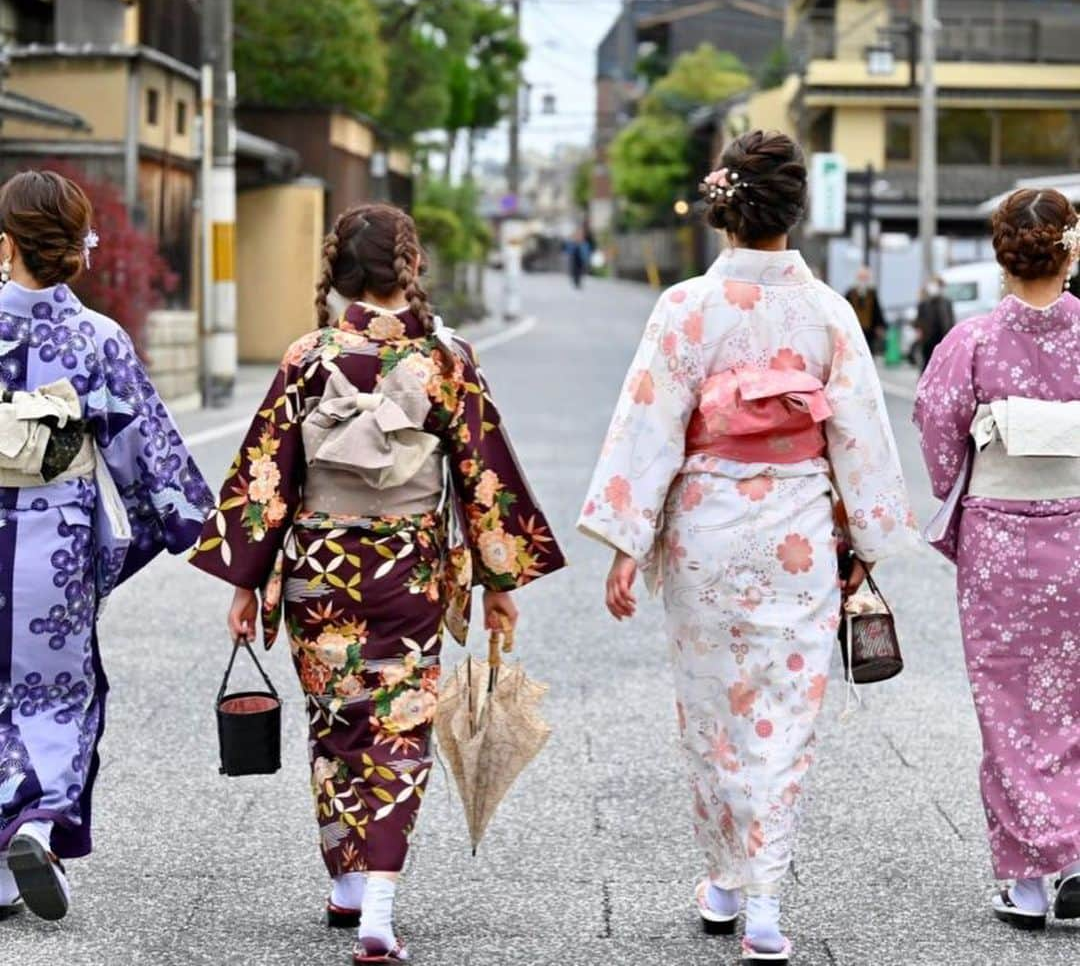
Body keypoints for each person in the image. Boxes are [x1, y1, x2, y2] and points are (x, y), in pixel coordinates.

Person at [189, 203, 566, 965]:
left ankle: (352, 885)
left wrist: (244, 580)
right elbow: (484, 475)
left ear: (340, 270)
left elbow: (268, 477)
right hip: (409, 568)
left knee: (336, 722)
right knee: (398, 725)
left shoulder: (310, 355)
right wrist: (500, 581)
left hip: (317, 570)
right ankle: (378, 906)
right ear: (411, 267)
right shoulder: (446, 358)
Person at [578, 131, 913, 966]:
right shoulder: (827, 311)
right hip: (797, 529)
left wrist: (628, 540)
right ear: (794, 211)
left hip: (705, 531)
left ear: (722, 208)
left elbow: (650, 425)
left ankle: (725, 882)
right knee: (785, 717)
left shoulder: (687, 308)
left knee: (713, 711)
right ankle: (759, 899)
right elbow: (862, 438)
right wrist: (866, 541)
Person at [0, 170, 212, 921]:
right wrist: (206, 538)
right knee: (55, 693)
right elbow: (149, 459)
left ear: (5, 245)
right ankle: (32, 826)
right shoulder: (96, 338)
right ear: (73, 247)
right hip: (52, 548)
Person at [914, 188, 1080, 932]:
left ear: (1001, 251)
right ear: (1071, 250)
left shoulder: (973, 342)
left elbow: (938, 432)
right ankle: (1072, 858)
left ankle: (1029, 881)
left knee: (1008, 705)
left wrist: (967, 507)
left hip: (1002, 541)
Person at [914, 277, 955, 371]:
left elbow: (951, 320)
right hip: (927, 339)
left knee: (943, 363)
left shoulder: (946, 302)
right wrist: (919, 332)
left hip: (943, 337)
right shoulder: (923, 304)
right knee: (927, 363)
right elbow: (918, 321)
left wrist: (951, 336)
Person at [845, 266, 886, 353]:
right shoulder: (850, 293)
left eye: (865, 277)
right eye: (861, 277)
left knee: (868, 351)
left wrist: (880, 325)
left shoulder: (872, 293)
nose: (863, 280)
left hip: (869, 329)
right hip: (854, 329)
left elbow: (877, 311)